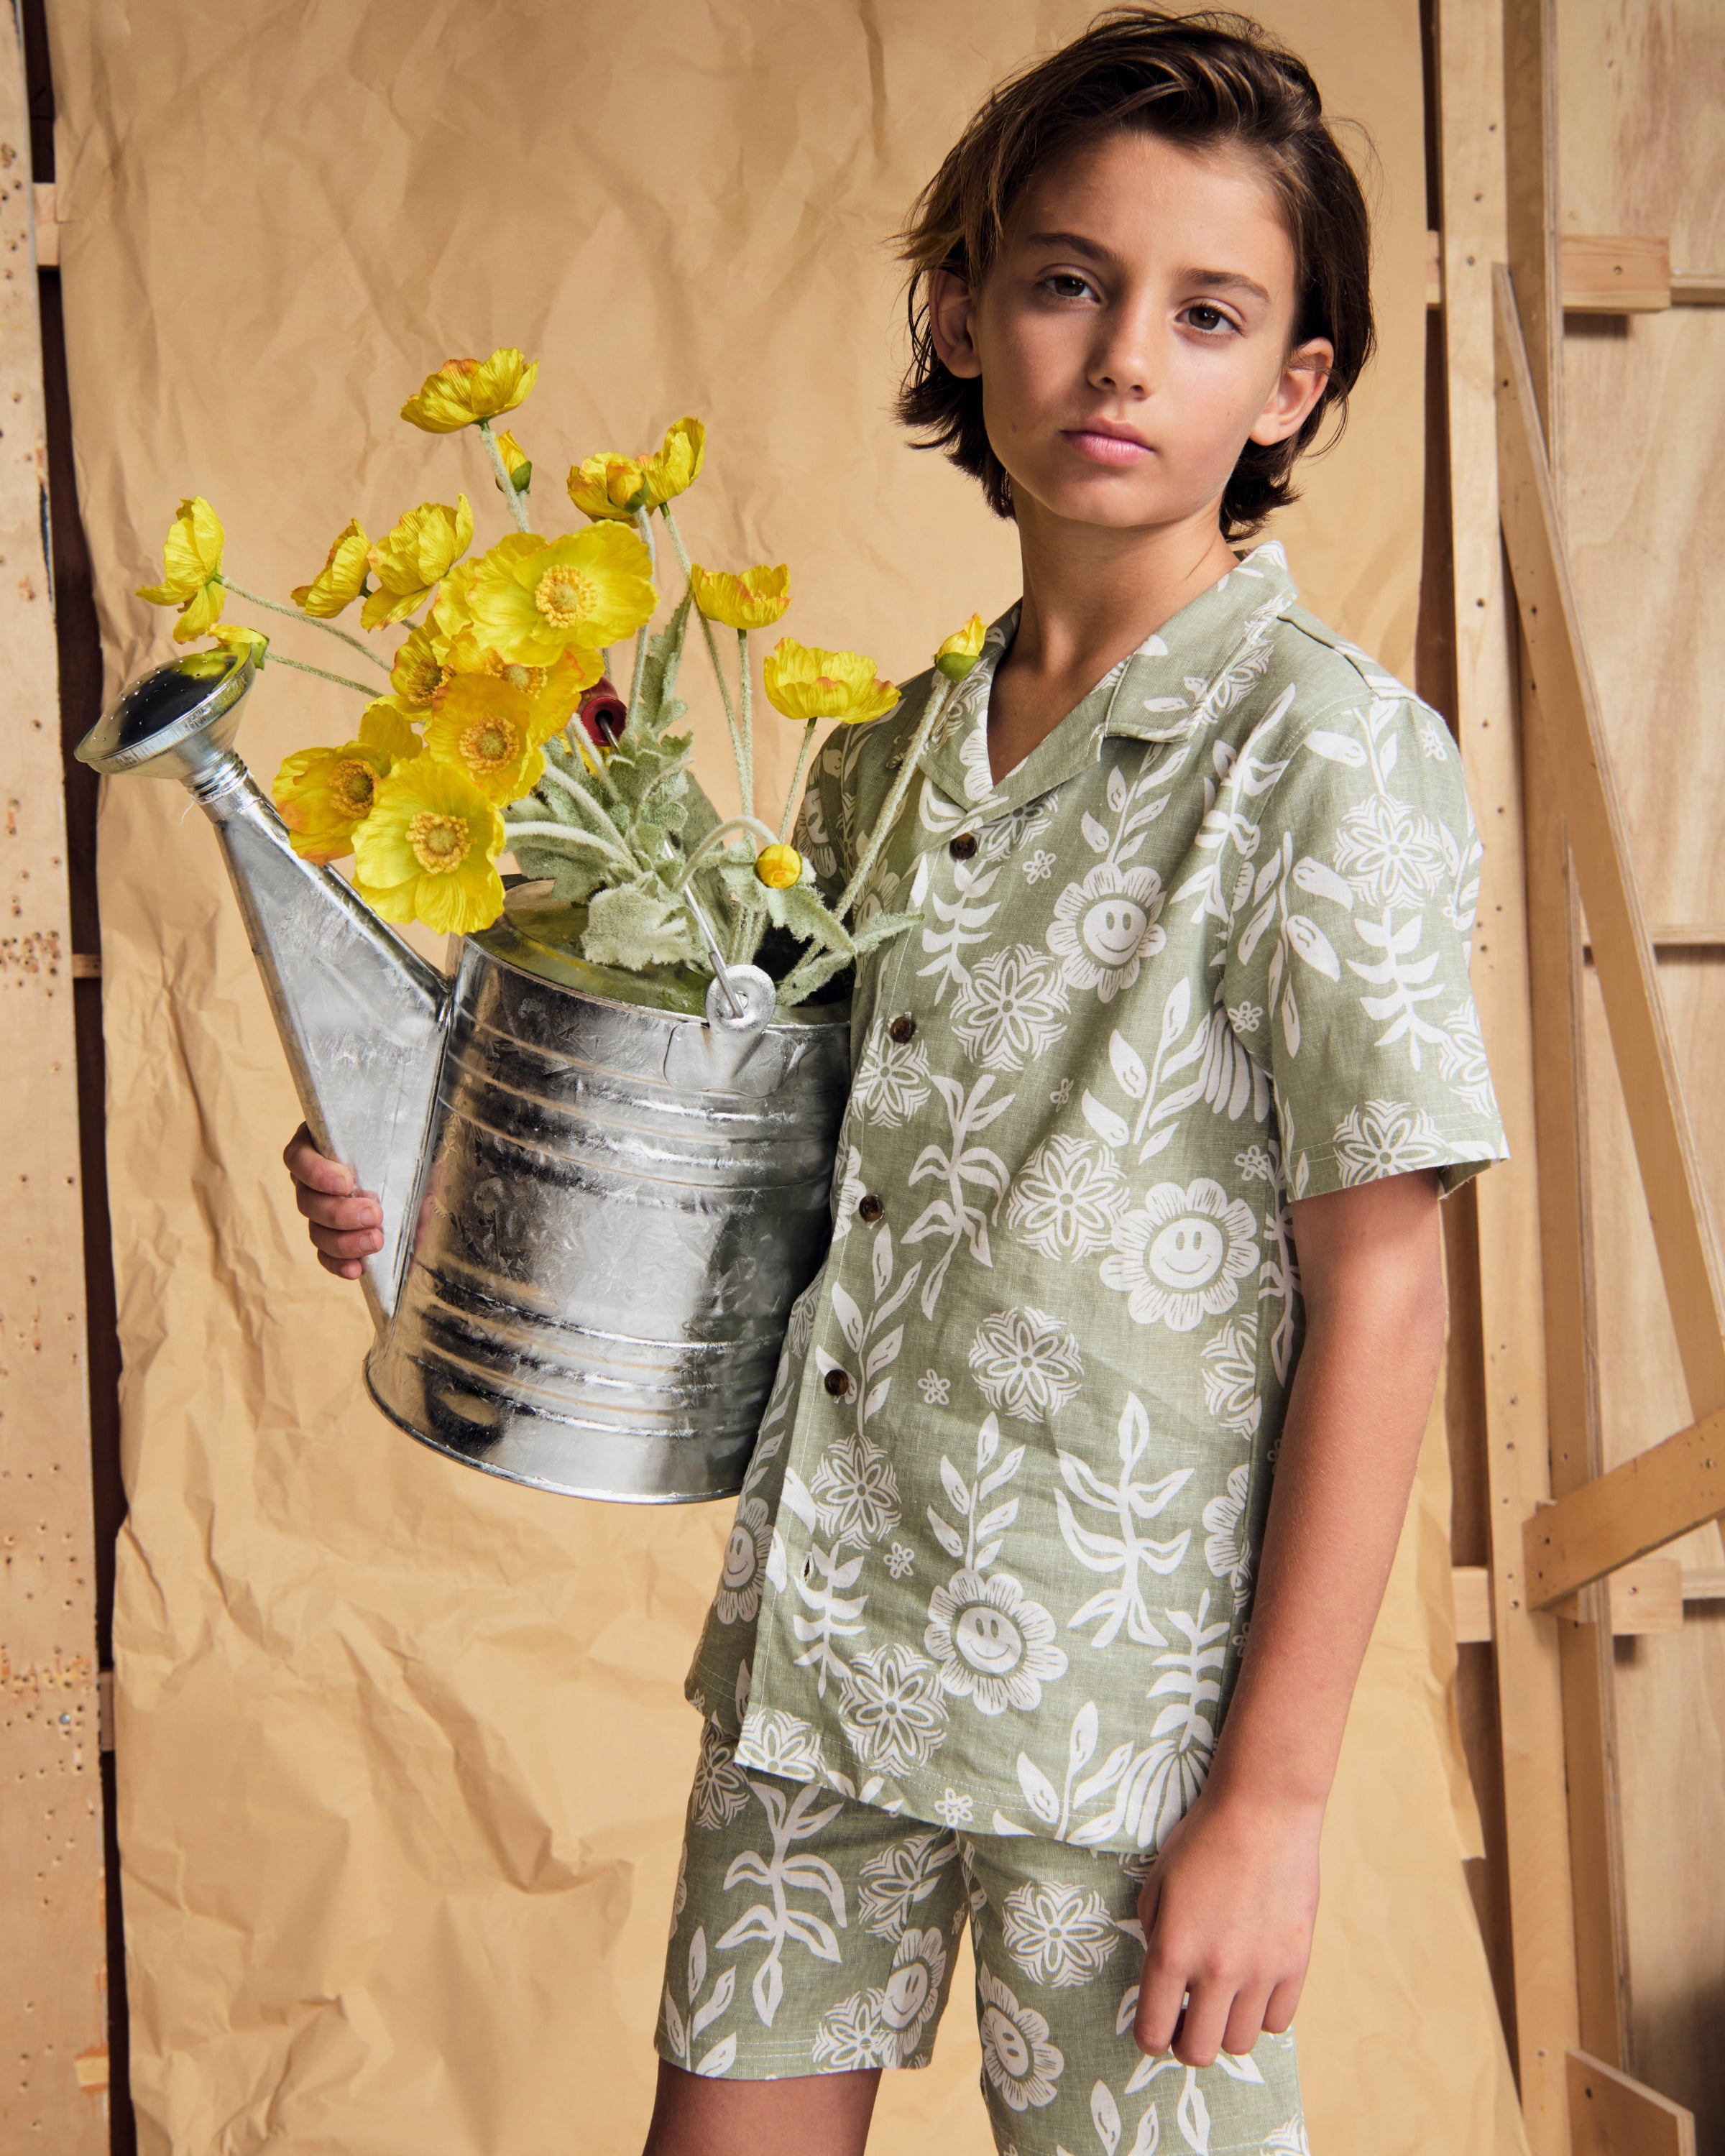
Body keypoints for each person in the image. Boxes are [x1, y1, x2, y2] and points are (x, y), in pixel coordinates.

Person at [286, 10, 1506, 2152]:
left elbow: (1385, 1292)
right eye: (1066, 281)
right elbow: (756, 1189)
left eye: (1207, 315)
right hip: (823, 1657)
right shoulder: (874, 763)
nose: (1125, 358)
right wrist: (449, 1190)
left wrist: (1277, 1802)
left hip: (1121, 1718)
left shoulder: (1327, 756)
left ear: (1292, 384)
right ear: (962, 310)